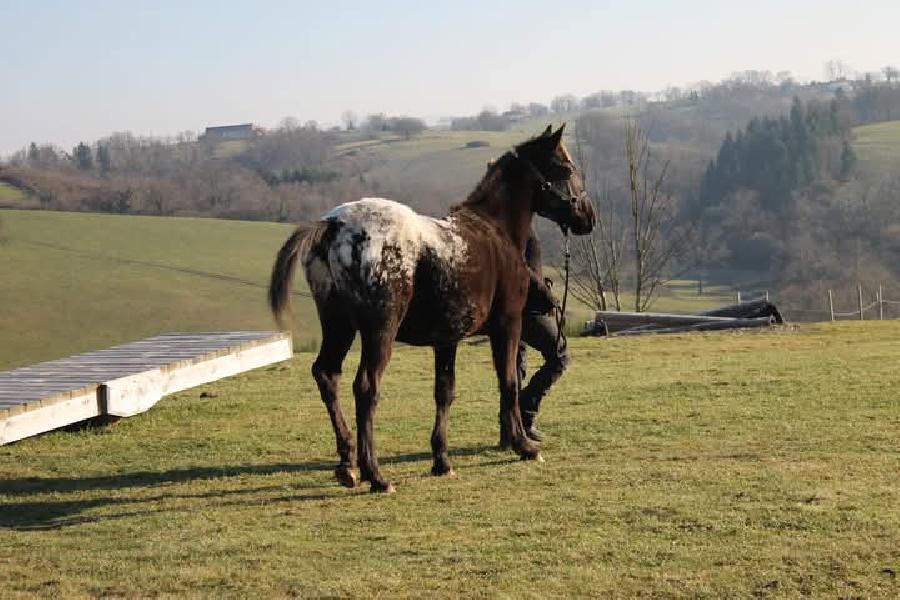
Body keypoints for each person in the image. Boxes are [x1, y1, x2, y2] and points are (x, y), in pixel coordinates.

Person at [517, 228, 568, 441]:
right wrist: (547, 296)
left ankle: (512, 426)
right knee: (559, 356)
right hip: (526, 309)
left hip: (517, 307)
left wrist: (542, 281)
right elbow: (519, 267)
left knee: (515, 368)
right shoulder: (515, 222)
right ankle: (524, 412)